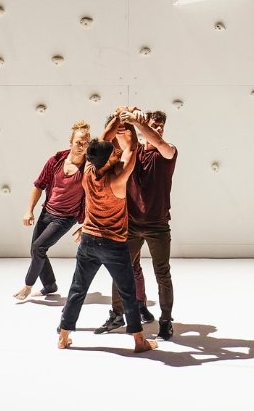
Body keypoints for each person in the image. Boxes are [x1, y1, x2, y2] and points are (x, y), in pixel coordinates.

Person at [57, 110, 156, 352]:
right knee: (128, 292)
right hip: (113, 245)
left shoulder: (89, 171)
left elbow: (102, 139)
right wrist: (130, 123)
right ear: (110, 157)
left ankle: (63, 336)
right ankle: (139, 341)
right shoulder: (118, 180)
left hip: (89, 241)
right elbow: (132, 149)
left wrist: (117, 119)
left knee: (77, 289)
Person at [95, 109, 178, 341]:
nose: (159, 128)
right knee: (120, 269)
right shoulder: (133, 152)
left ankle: (165, 321)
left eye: (161, 125)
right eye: (155, 124)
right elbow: (112, 139)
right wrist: (125, 115)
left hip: (158, 225)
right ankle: (116, 314)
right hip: (130, 223)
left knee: (162, 273)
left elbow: (158, 141)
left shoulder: (167, 151)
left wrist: (139, 122)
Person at [13, 120, 90, 301]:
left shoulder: (88, 168)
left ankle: (28, 286)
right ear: (71, 141)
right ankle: (50, 285)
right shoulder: (55, 161)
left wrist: (86, 224)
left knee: (39, 247)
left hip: (65, 218)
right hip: (47, 212)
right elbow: (39, 185)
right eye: (79, 142)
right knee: (36, 250)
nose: (82, 146)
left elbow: (94, 198)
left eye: (86, 143)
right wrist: (29, 210)